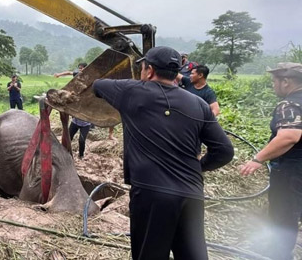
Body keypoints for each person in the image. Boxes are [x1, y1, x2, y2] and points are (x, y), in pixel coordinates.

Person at [93, 46, 234, 260]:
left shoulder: (131, 91)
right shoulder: (198, 104)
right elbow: (224, 151)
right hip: (192, 194)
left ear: (149, 71)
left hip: (152, 195)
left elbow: (97, 85)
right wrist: (198, 166)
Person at [240, 62, 302, 260]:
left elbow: (289, 136)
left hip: (291, 171)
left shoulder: (290, 104)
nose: (273, 85)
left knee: (284, 214)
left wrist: (257, 159)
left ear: (286, 82)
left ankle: (279, 255)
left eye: (274, 81)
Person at [54, 63, 93, 158]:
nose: (80, 70)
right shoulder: (77, 74)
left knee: (81, 140)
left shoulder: (90, 76)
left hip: (85, 124)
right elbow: (68, 72)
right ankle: (64, 153)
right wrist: (59, 74)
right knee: (68, 137)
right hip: (75, 121)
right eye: (79, 68)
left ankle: (81, 155)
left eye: (82, 68)